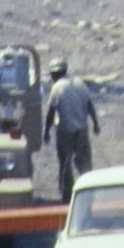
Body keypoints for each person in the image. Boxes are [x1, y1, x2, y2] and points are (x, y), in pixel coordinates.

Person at [44, 57, 99, 201]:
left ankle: (67, 196)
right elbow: (89, 105)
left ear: (53, 74)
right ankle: (88, 191)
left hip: (65, 130)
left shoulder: (57, 88)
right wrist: (95, 124)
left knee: (65, 163)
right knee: (84, 162)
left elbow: (51, 111)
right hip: (82, 129)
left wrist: (46, 132)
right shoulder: (80, 83)